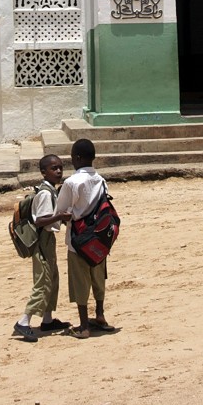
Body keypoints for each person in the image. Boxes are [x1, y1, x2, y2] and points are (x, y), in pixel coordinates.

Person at [52, 139, 117, 339]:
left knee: (80, 281)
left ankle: (83, 326)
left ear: (77, 158)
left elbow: (61, 211)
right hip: (98, 239)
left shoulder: (71, 183)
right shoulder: (101, 179)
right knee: (98, 278)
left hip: (78, 240)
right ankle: (100, 315)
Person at [12, 154, 70, 342]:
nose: (59, 171)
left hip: (48, 239)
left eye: (60, 167)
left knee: (52, 278)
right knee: (43, 281)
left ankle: (47, 319)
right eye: (54, 168)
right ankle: (24, 321)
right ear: (44, 172)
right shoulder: (45, 193)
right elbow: (40, 221)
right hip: (42, 240)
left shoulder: (49, 190)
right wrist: (60, 216)